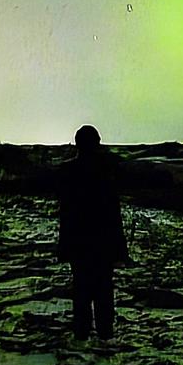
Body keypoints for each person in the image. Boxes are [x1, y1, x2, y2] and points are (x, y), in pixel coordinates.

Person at [57, 124, 128, 341]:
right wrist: (120, 247)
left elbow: (66, 212)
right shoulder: (106, 171)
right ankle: (104, 332)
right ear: (96, 143)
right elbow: (113, 213)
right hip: (102, 240)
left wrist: (64, 244)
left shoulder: (68, 171)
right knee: (103, 287)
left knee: (81, 287)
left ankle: (83, 331)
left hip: (79, 239)